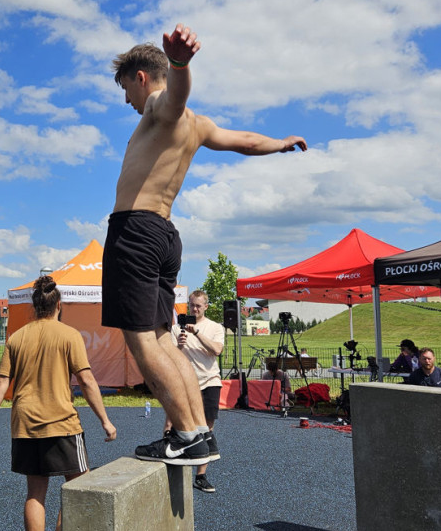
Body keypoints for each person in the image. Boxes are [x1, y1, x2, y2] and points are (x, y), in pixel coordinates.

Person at [103, 23, 307, 464]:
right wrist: (279, 144)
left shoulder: (161, 106)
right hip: (163, 236)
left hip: (135, 234)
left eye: (125, 89)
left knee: (141, 342)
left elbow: (175, 98)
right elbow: (246, 142)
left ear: (141, 78)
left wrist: (178, 63)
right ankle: (196, 432)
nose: (126, 101)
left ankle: (190, 433)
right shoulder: (200, 126)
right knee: (162, 338)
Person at [0, 275, 117, 531]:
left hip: (24, 423)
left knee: (35, 492)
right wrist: (105, 421)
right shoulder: (69, 335)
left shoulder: (17, 338)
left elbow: (3, 383)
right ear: (59, 305)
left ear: (34, 305)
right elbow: (86, 381)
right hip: (61, 423)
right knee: (78, 487)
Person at [167, 290, 225, 493]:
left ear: (206, 306)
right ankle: (169, 461)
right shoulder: (176, 329)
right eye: (192, 305)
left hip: (209, 380)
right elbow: (169, 358)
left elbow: (217, 350)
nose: (195, 309)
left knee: (207, 427)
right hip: (184, 381)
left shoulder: (215, 327)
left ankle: (201, 475)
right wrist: (180, 346)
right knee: (173, 421)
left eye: (199, 306)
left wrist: (197, 333)